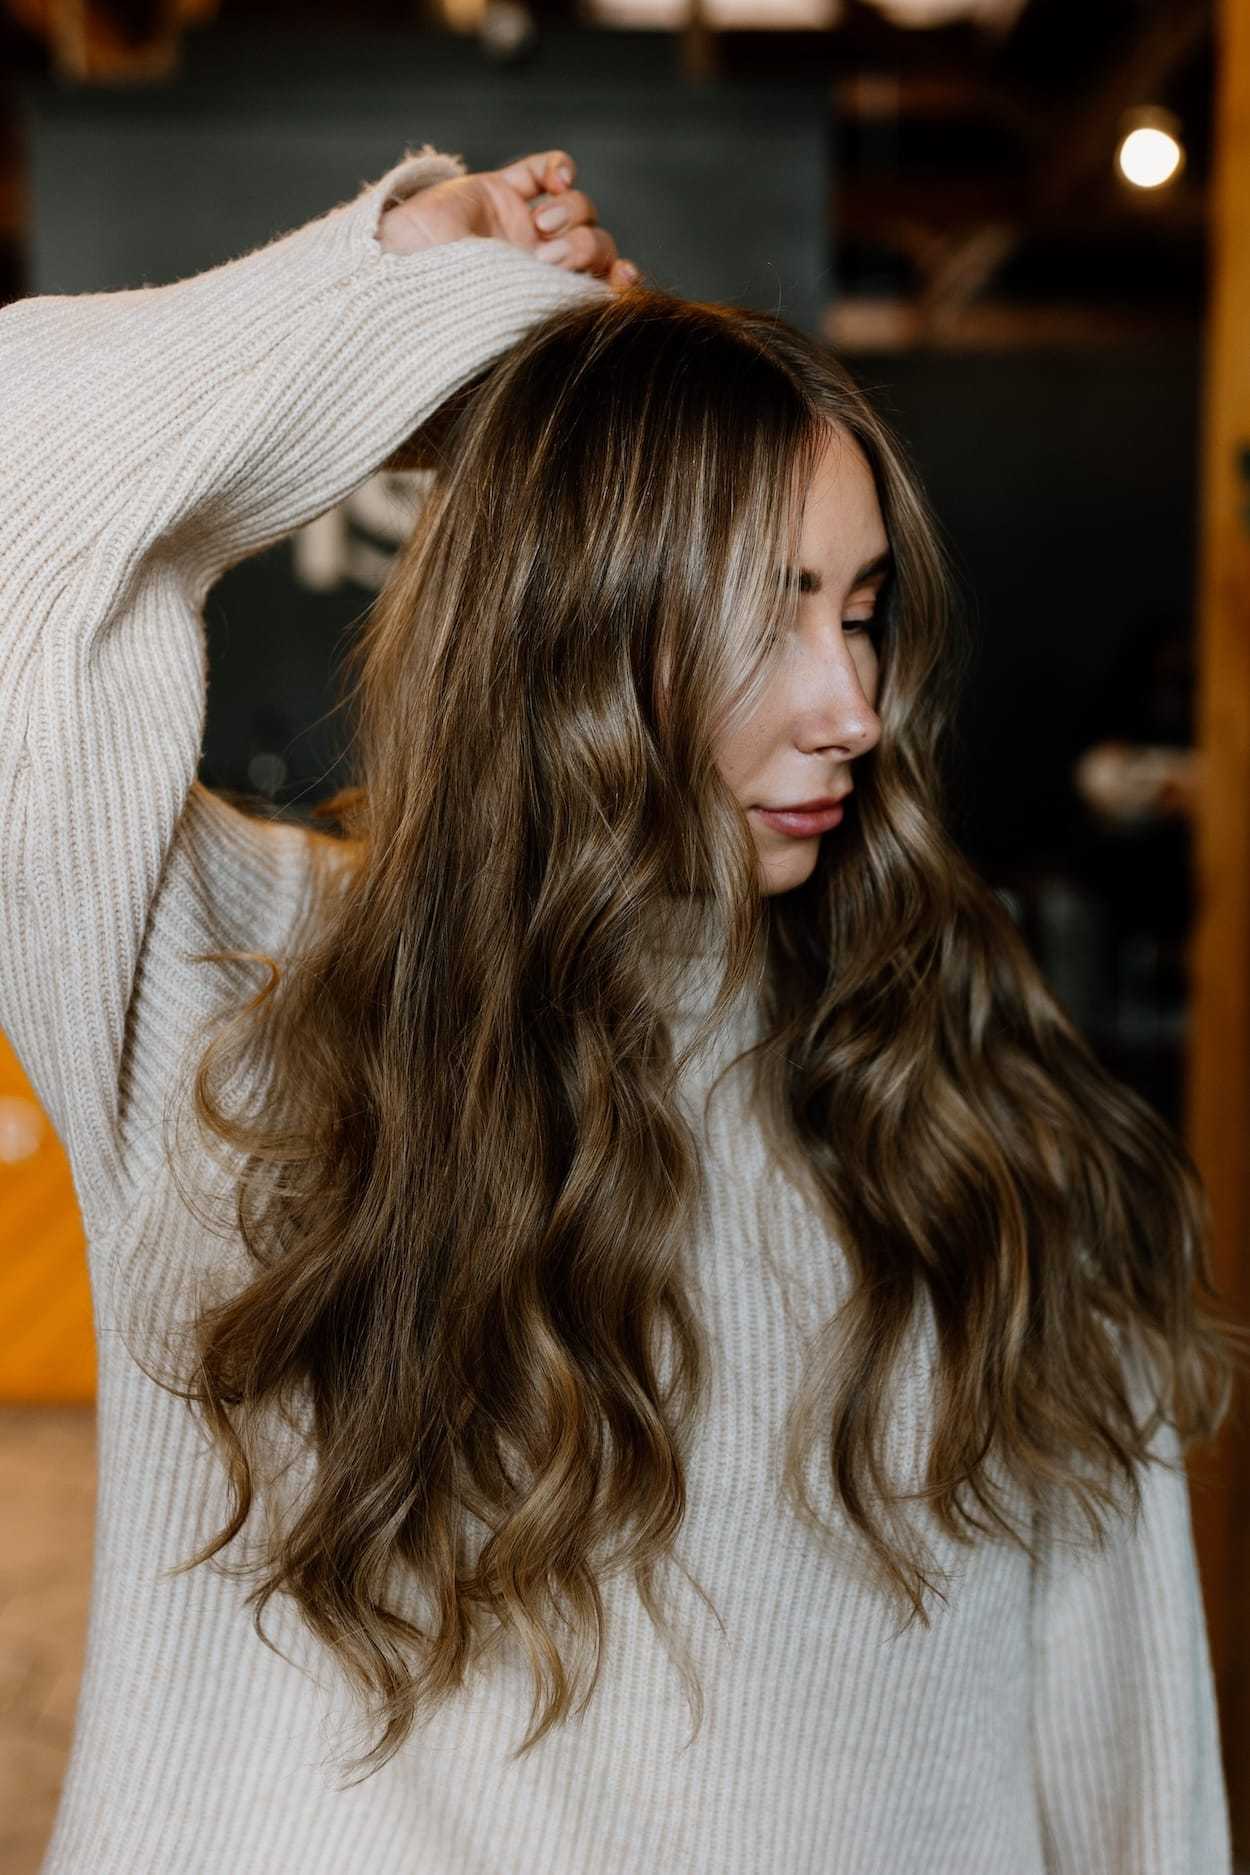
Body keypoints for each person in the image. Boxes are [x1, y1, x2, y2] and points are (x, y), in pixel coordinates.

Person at [1, 140, 1243, 1875]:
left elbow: (1128, 1768)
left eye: (864, 614)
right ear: (564, 633)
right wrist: (405, 296)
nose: (852, 711)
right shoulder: (235, 999)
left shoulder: (965, 1122)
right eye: (767, 612)